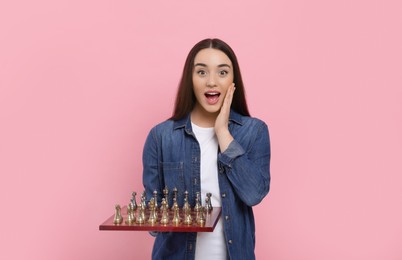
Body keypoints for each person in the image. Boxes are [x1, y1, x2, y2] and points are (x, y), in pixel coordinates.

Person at [142, 38, 271, 260]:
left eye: (222, 72)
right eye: (201, 72)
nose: (212, 82)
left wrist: (222, 132)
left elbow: (253, 194)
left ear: (233, 80)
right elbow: (154, 222)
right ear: (190, 80)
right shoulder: (160, 136)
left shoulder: (254, 131)